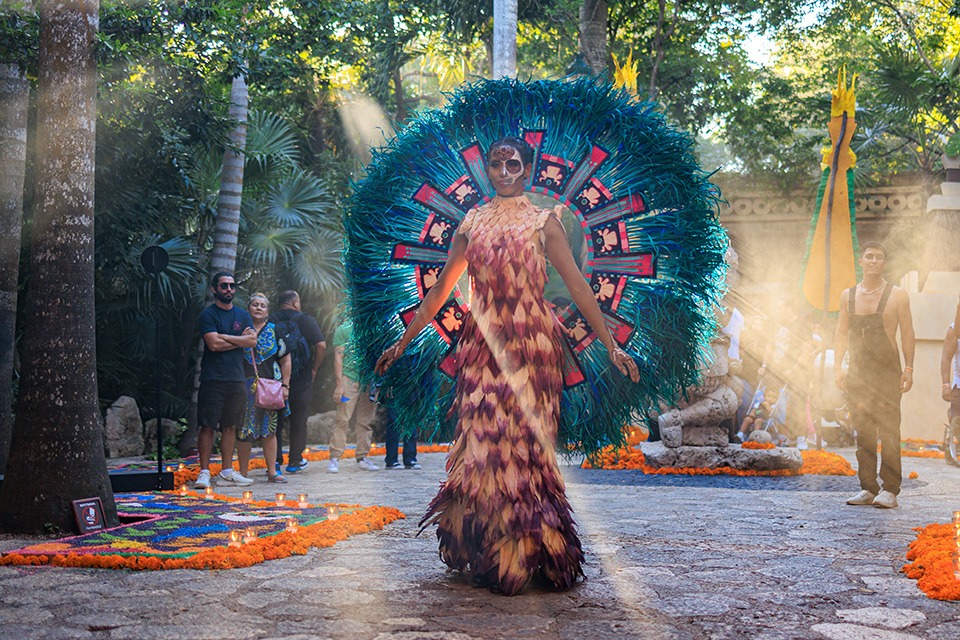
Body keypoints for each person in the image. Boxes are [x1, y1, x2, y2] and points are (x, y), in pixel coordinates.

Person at [375, 136, 639, 595]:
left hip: (532, 344)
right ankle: (484, 547)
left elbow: (577, 287)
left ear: (527, 168)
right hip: (481, 343)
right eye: (495, 164)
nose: (502, 170)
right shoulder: (472, 223)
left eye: (512, 163)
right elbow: (440, 290)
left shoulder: (545, 223)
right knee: (481, 441)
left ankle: (531, 550)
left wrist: (612, 345)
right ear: (487, 171)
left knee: (525, 445)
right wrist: (403, 341)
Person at [835, 241, 915, 509]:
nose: (873, 261)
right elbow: (840, 334)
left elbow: (907, 333)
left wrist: (909, 368)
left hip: (888, 372)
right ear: (861, 261)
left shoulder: (898, 294)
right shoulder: (848, 295)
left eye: (879, 257)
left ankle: (890, 490)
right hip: (858, 373)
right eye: (869, 256)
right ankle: (867, 487)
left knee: (890, 431)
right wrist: (838, 367)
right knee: (864, 432)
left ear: (884, 262)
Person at [195, 272, 257, 489]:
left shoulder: (242, 315)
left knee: (230, 426)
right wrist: (240, 340)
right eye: (224, 286)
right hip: (213, 378)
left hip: (237, 378)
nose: (229, 289)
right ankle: (203, 472)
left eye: (232, 286)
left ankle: (227, 471)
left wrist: (225, 337)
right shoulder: (208, 314)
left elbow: (252, 341)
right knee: (207, 426)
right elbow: (213, 344)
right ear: (214, 289)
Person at [237, 293, 291, 483]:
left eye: (263, 306)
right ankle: (242, 474)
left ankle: (272, 472)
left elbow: (286, 360)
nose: (259, 308)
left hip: (271, 387)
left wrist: (286, 386)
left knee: (270, 429)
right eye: (255, 305)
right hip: (245, 387)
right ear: (248, 308)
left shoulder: (276, 330)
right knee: (245, 430)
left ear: (268, 311)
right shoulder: (240, 330)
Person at [270, 290, 326, 475]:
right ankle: (295, 461)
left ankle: (275, 461)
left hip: (275, 378)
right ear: (295, 302)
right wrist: (314, 369)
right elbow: (321, 345)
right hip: (301, 377)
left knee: (274, 419)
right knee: (299, 419)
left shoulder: (271, 319)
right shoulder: (305, 320)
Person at [329, 317, 379, 473]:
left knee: (366, 420)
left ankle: (362, 457)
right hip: (350, 379)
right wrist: (339, 384)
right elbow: (338, 357)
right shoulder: (344, 329)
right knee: (342, 418)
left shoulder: (375, 328)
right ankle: (334, 458)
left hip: (370, 380)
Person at [940, 295, 960, 464]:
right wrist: (946, 385)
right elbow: (946, 358)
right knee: (956, 417)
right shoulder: (954, 330)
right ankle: (953, 445)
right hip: (959, 386)